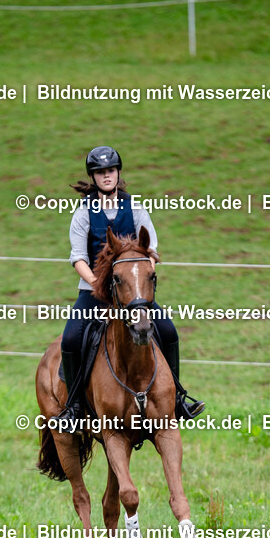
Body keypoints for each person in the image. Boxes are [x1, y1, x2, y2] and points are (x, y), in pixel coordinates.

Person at [58, 145, 205, 425]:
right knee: (70, 339)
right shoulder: (83, 213)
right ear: (93, 177)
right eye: (100, 172)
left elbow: (153, 252)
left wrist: (138, 282)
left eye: (110, 170)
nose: (106, 176)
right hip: (94, 293)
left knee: (168, 331)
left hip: (132, 295)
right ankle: (75, 406)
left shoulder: (135, 208)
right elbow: (77, 258)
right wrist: (97, 284)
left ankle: (177, 399)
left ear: (118, 173)